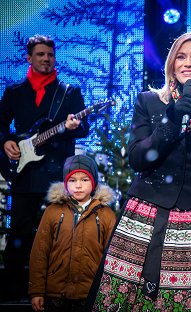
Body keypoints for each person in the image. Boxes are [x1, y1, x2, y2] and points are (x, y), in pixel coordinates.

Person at [88, 32, 191, 311]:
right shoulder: (148, 102)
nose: (188, 63)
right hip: (145, 217)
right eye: (181, 57)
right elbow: (138, 158)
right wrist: (173, 118)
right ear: (171, 64)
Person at [0, 34, 90, 301]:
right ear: (29, 57)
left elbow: (84, 128)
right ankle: (14, 291)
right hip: (25, 173)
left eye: (50, 55)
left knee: (58, 234)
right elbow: (1, 125)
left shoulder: (69, 91)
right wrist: (6, 141)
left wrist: (73, 126)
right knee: (19, 233)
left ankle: (56, 291)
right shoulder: (15, 92)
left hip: (55, 175)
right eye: (40, 54)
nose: (46, 59)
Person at [28, 154, 116, 312]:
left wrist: (109, 293)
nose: (78, 185)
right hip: (56, 294)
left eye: (85, 180)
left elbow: (112, 257)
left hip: (91, 294)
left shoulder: (106, 214)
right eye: (72, 180)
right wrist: (36, 290)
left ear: (94, 183)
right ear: (65, 183)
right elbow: (39, 253)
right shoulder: (52, 212)